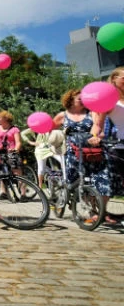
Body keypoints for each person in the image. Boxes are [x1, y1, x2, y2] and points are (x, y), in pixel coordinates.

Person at [58, 88, 114, 224]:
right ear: (70, 99)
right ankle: (90, 208)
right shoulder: (62, 115)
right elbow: (50, 128)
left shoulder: (92, 113)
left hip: (91, 148)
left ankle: (96, 211)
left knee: (99, 179)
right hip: (73, 150)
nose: (83, 101)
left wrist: (94, 136)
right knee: (76, 179)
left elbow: (96, 125)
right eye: (79, 98)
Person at [92, 66, 124, 204]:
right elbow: (98, 123)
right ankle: (99, 211)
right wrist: (95, 135)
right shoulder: (110, 100)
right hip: (119, 146)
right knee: (112, 180)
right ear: (114, 79)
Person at [0, 110, 23, 176]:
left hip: (11, 152)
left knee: (16, 171)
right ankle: (2, 186)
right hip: (0, 153)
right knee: (1, 173)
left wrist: (15, 151)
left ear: (6, 118)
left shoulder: (14, 129)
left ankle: (21, 186)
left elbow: (18, 142)